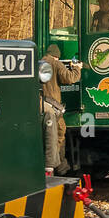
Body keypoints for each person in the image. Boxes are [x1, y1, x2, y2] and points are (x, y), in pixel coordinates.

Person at [41, 43, 81, 173]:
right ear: (57, 56)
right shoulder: (55, 64)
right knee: (59, 134)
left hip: (41, 107)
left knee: (46, 137)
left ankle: (58, 165)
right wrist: (76, 68)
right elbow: (70, 78)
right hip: (53, 108)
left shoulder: (39, 63)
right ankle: (60, 167)